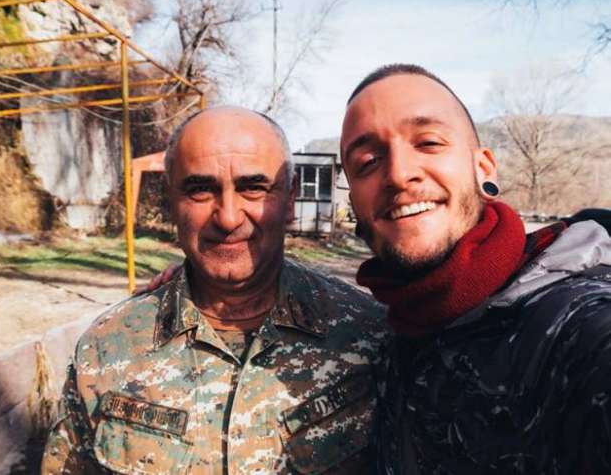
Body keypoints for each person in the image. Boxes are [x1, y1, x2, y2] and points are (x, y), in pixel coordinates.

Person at [41, 106, 388, 474]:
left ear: (289, 200)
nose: (228, 217)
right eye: (201, 190)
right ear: (171, 202)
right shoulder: (106, 348)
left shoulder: (368, 335)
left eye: (253, 188)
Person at [340, 63, 611, 474]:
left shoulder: (578, 331)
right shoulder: (390, 335)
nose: (398, 173)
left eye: (428, 142)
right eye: (367, 160)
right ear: (354, 203)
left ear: (483, 167)